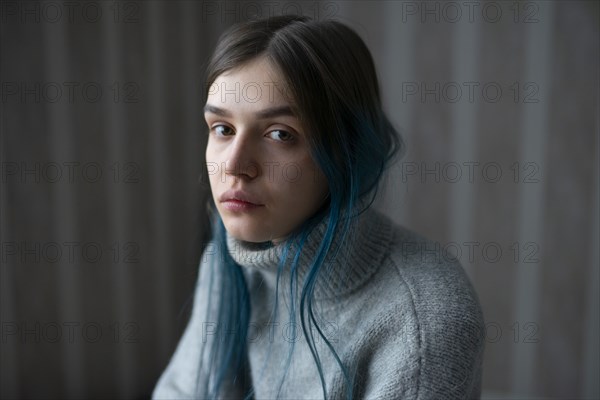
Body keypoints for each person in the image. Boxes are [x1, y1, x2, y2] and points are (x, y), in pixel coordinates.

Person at [153, 15, 485, 400]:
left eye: (280, 134)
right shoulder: (226, 264)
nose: (233, 165)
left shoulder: (424, 318)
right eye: (222, 129)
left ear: (347, 152)